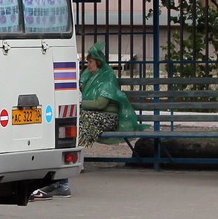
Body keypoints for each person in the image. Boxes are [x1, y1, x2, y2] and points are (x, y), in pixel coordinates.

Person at [31, 41, 143, 200]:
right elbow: (80, 84)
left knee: (76, 126)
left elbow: (101, 104)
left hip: (106, 117)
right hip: (90, 115)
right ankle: (62, 178)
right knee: (70, 125)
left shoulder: (107, 77)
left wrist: (79, 104)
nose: (87, 65)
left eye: (89, 62)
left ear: (97, 62)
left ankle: (65, 177)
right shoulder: (92, 76)